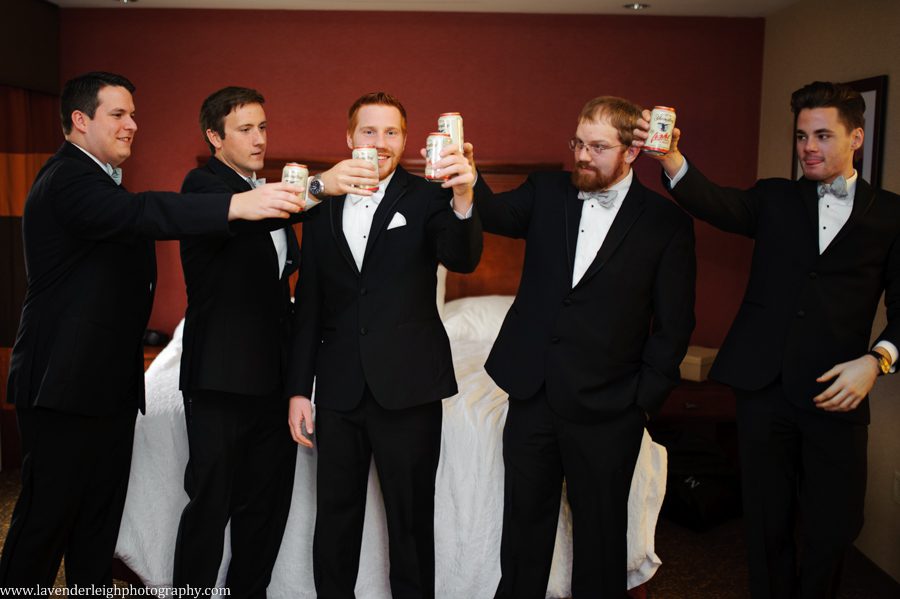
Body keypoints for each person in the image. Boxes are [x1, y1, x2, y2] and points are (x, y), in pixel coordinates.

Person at [0, 72, 303, 587]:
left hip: (106, 387)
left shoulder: (101, 182)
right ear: (80, 120)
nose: (132, 125)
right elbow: (144, 214)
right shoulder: (68, 178)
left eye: (132, 115)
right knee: (44, 522)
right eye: (118, 115)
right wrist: (239, 204)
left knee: (96, 527)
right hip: (63, 386)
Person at [634, 80, 900, 599]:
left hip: (837, 390)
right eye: (802, 136)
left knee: (836, 525)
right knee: (765, 521)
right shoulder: (774, 197)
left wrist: (877, 361)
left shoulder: (892, 215)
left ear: (857, 138)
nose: (809, 148)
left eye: (823, 136)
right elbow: (713, 202)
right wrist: (671, 158)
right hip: (763, 386)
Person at [472, 96, 696, 598]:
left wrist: (643, 401)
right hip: (533, 391)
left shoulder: (666, 224)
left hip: (610, 403)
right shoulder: (547, 191)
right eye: (578, 142)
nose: (582, 155)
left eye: (598, 147)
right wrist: (469, 176)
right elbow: (493, 214)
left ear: (631, 152)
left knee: (600, 537)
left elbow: (675, 323)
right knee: (524, 529)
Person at [286, 91, 481, 599]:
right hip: (339, 388)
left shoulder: (428, 196)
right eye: (369, 132)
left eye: (391, 132)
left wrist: (463, 197)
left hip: (409, 387)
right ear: (350, 138)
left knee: (411, 521)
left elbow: (462, 259)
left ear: (406, 139)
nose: (380, 142)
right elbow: (308, 304)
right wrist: (297, 390)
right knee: (334, 519)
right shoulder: (321, 203)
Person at [172, 86, 312, 596]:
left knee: (265, 510)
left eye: (263, 127)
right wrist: (325, 184)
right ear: (215, 137)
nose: (259, 139)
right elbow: (253, 210)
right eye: (245, 129)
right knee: (210, 504)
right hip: (220, 379)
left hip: (273, 380)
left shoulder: (270, 192)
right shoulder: (203, 188)